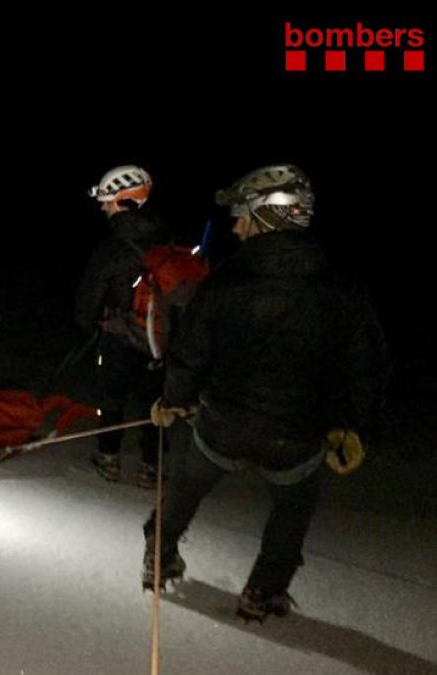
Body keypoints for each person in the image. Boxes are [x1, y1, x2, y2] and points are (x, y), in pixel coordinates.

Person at [142, 164, 389, 621]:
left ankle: (159, 552)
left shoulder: (226, 282)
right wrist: (357, 428)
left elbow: (190, 354)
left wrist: (174, 400)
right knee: (292, 510)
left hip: (222, 427)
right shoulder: (342, 288)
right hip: (295, 437)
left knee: (185, 487)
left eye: (243, 214)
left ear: (270, 216)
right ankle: (264, 589)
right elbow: (366, 368)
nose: (236, 225)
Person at [74, 165, 168, 488]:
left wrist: (88, 325)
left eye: (107, 200)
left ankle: (109, 458)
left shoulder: (112, 248)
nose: (103, 206)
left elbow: (89, 298)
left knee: (111, 398)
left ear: (123, 201)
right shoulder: (166, 240)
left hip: (119, 338)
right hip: (159, 342)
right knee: (154, 405)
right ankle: (151, 467)